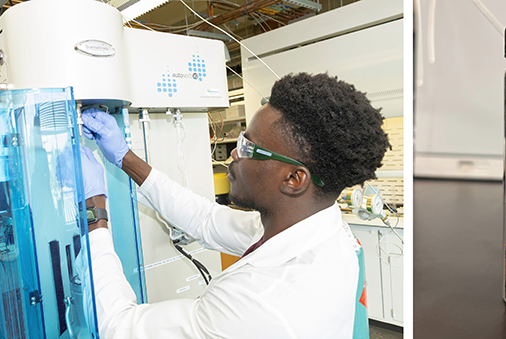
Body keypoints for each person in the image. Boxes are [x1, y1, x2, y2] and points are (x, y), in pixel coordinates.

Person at [79, 72, 391, 339]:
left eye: (248, 147)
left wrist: (95, 210)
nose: (234, 156)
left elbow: (119, 327)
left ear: (294, 178)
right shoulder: (317, 228)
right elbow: (206, 219)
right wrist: (124, 158)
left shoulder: (258, 302)